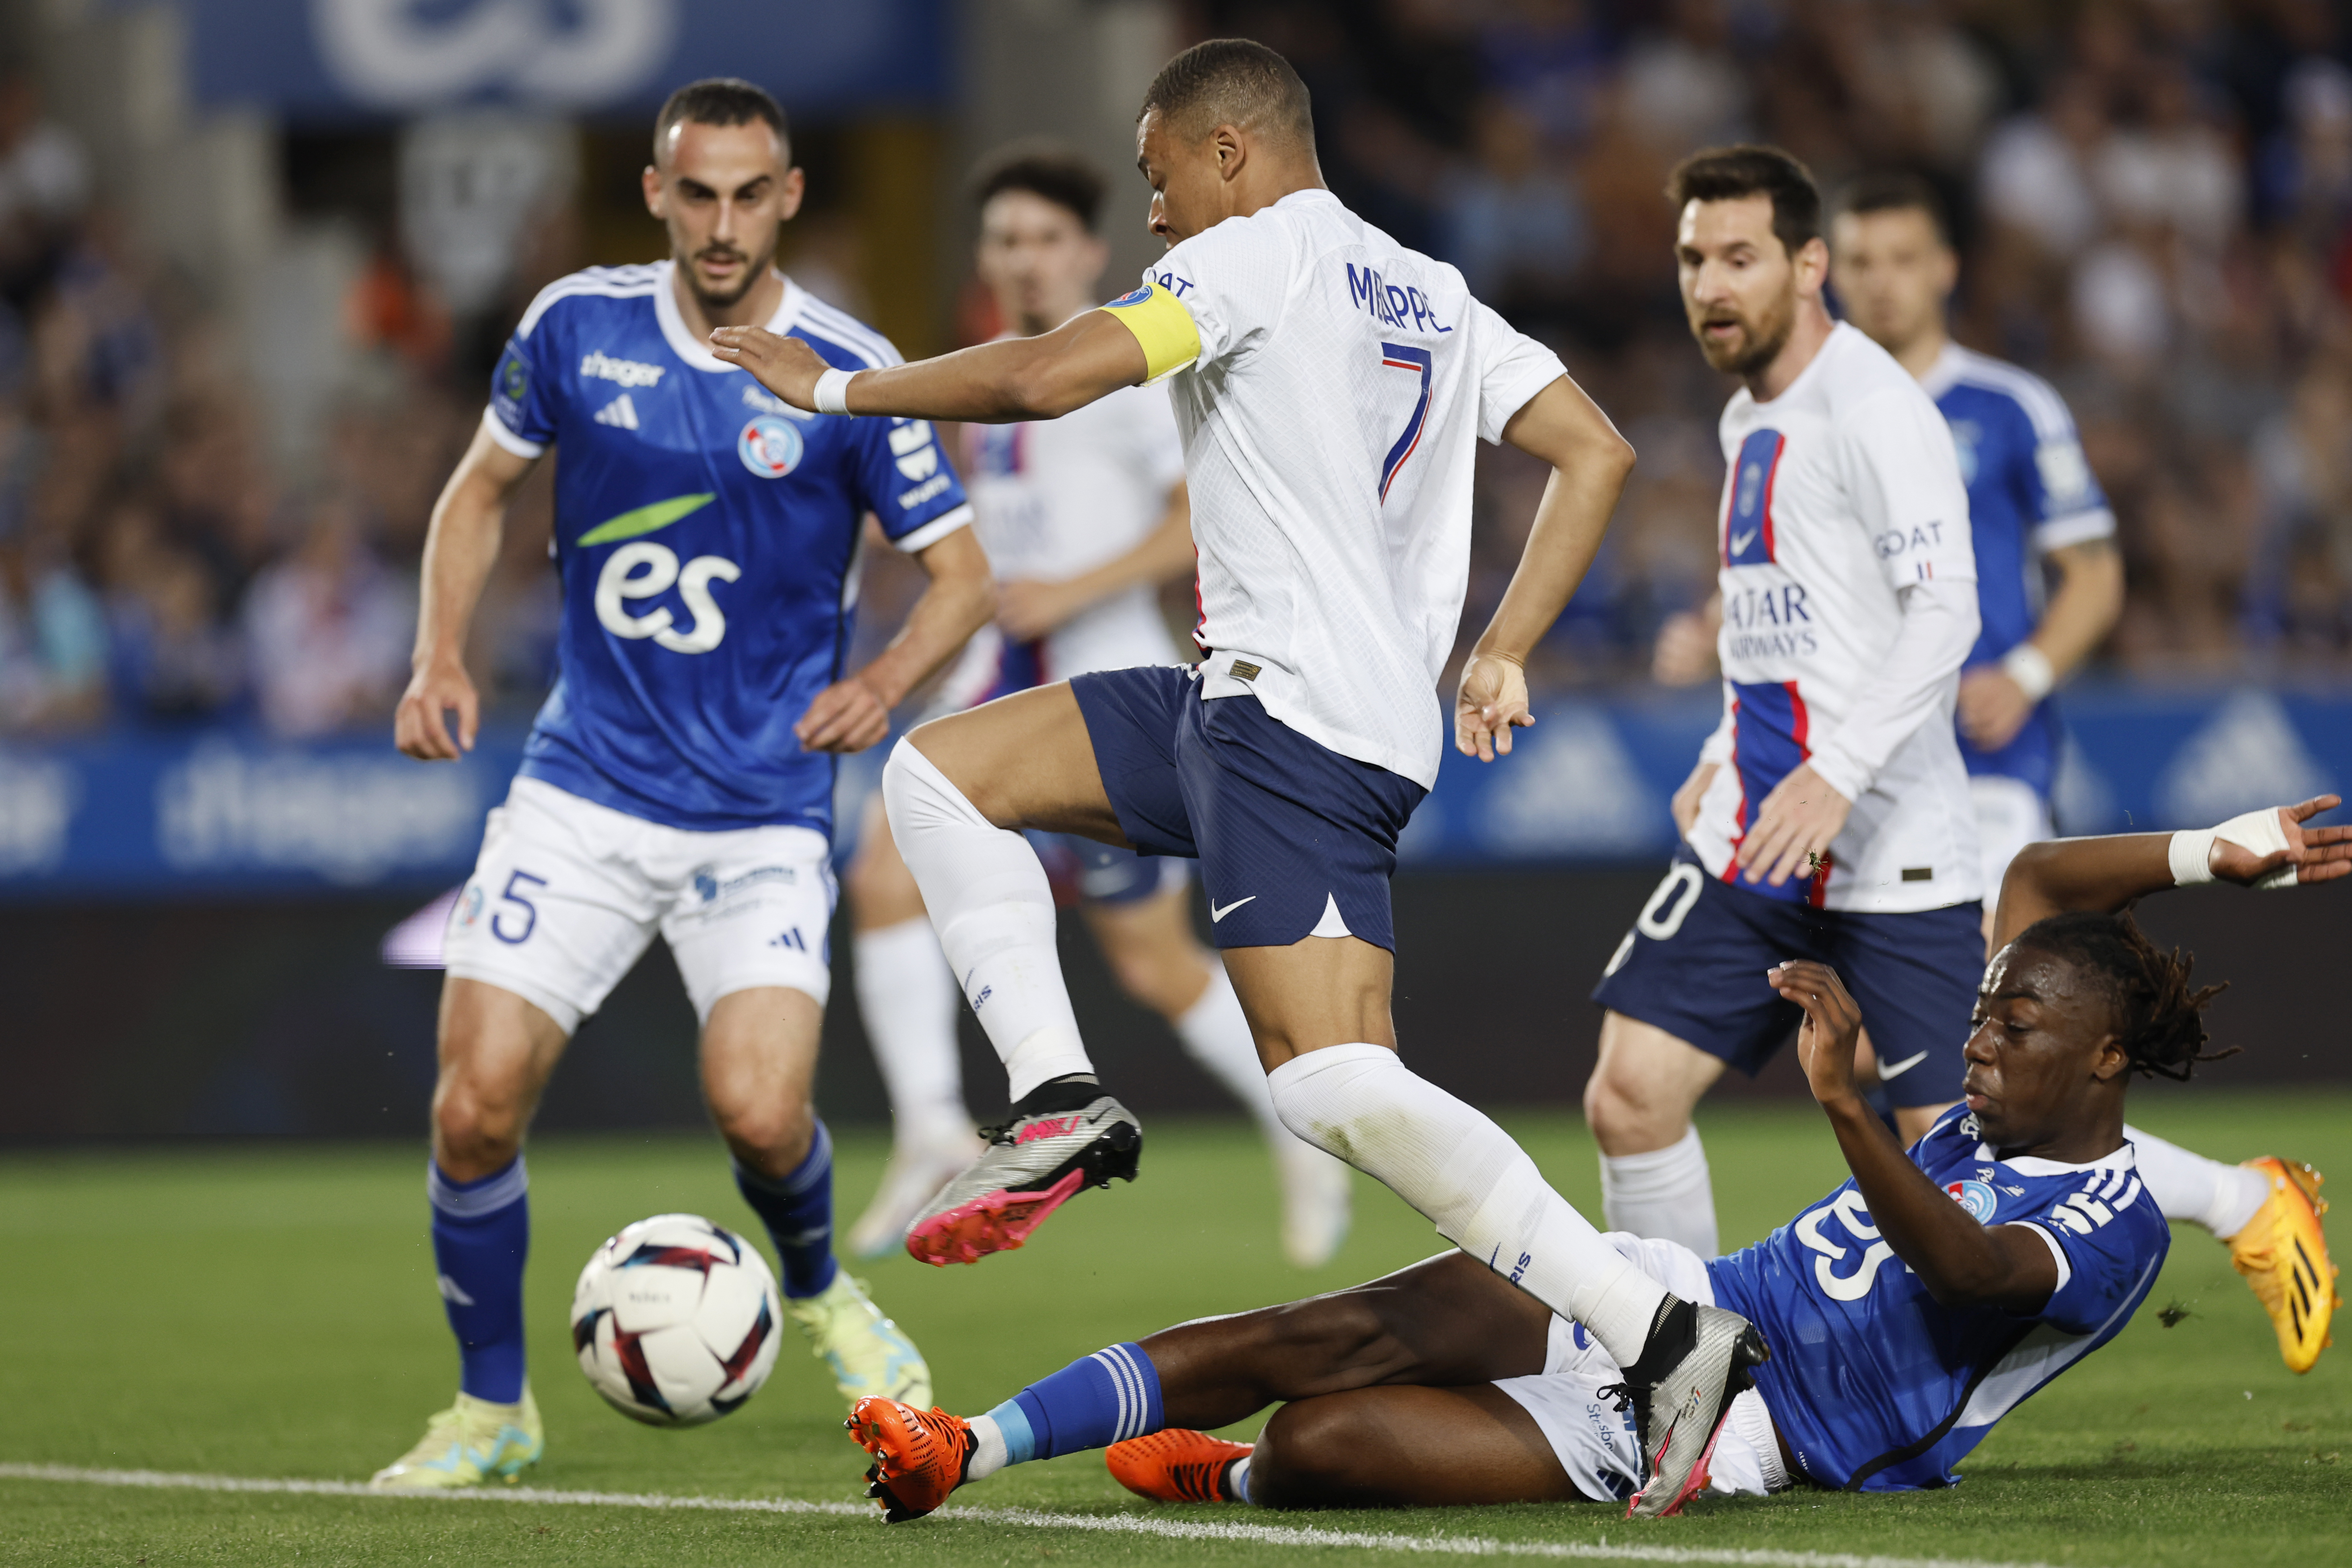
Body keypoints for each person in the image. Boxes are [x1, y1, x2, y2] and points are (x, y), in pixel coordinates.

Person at [716, 40, 1756, 1517]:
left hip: (1302, 728)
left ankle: (1659, 1333)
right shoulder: (1431, 289)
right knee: (941, 776)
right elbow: (1592, 450)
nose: (1151, 219)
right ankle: (1063, 1097)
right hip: (1242, 700)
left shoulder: (1255, 258)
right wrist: (1500, 647)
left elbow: (1040, 375)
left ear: (1227, 154)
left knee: (1335, 1087)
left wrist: (835, 391)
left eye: (1156, 181)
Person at [843, 798, 2350, 1519]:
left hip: (1762, 1435)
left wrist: (1841, 1108)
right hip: (1673, 1299)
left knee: (1323, 1447)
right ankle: (960, 1446)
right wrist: (2211, 850)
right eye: (1982, 1010)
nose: (1977, 1037)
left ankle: (1233, 1476)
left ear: (2101, 1059)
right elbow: (2028, 878)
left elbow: (1965, 1275)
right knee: (1326, 1332)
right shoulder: (2015, 1090)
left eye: (2012, 1025)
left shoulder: (2113, 1220)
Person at [371, 79, 992, 1491]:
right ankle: (491, 1411)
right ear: (654, 191)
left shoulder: (847, 366)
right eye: (693, 193)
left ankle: (826, 1292)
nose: (720, 224)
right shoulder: (571, 327)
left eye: (747, 195)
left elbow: (963, 577)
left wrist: (884, 685)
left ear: (787, 198)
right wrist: (436, 655)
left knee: (762, 1115)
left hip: (763, 809)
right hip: (583, 788)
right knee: (470, 1108)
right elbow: (477, 489)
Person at [1651, 170, 2337, 1375]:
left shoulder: (2005, 408)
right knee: (1945, 1101)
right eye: (1859, 261)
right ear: (1828, 270)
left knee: (1974, 1071)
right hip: (1846, 772)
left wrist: (2022, 667)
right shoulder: (1792, 404)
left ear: (1945, 268)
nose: (1879, 282)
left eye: (1902, 260)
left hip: (1976, 771)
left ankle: (2234, 1199)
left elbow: (2096, 575)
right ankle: (2234, 1196)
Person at [840, 144, 1351, 1269]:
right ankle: (929, 1122)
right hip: (1002, 673)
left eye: (1041, 239)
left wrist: (1067, 588)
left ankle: (1303, 1132)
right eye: (1004, 240)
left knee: (1152, 964)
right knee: (881, 874)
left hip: (1106, 675)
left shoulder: (1128, 362)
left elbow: (1190, 523)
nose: (1022, 259)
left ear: (1085, 250)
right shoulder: (1000, 384)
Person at [1585, 146, 1988, 1274]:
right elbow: (1783, 629)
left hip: (1890, 848)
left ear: (1809, 265)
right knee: (1627, 1097)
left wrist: (1841, 769)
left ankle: (2218, 1201)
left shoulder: (1873, 408)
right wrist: (1725, 747)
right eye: (1692, 259)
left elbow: (1945, 610)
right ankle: (1678, 1368)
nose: (1710, 285)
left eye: (1740, 258)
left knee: (1963, 1179)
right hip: (1759, 839)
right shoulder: (1743, 419)